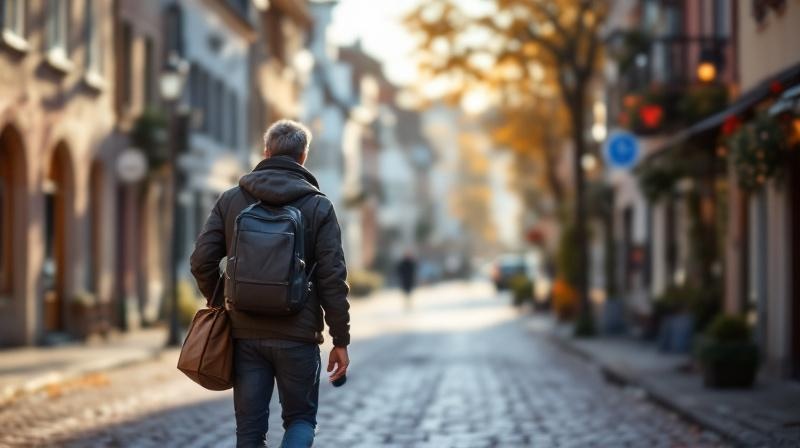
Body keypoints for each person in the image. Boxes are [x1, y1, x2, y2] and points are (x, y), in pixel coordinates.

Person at [190, 119, 350, 448]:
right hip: (299, 334)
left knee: (249, 432)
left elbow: (201, 261)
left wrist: (224, 303)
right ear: (304, 157)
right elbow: (332, 277)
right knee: (301, 420)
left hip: (245, 334)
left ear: (266, 152)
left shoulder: (231, 200)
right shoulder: (319, 206)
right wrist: (340, 339)